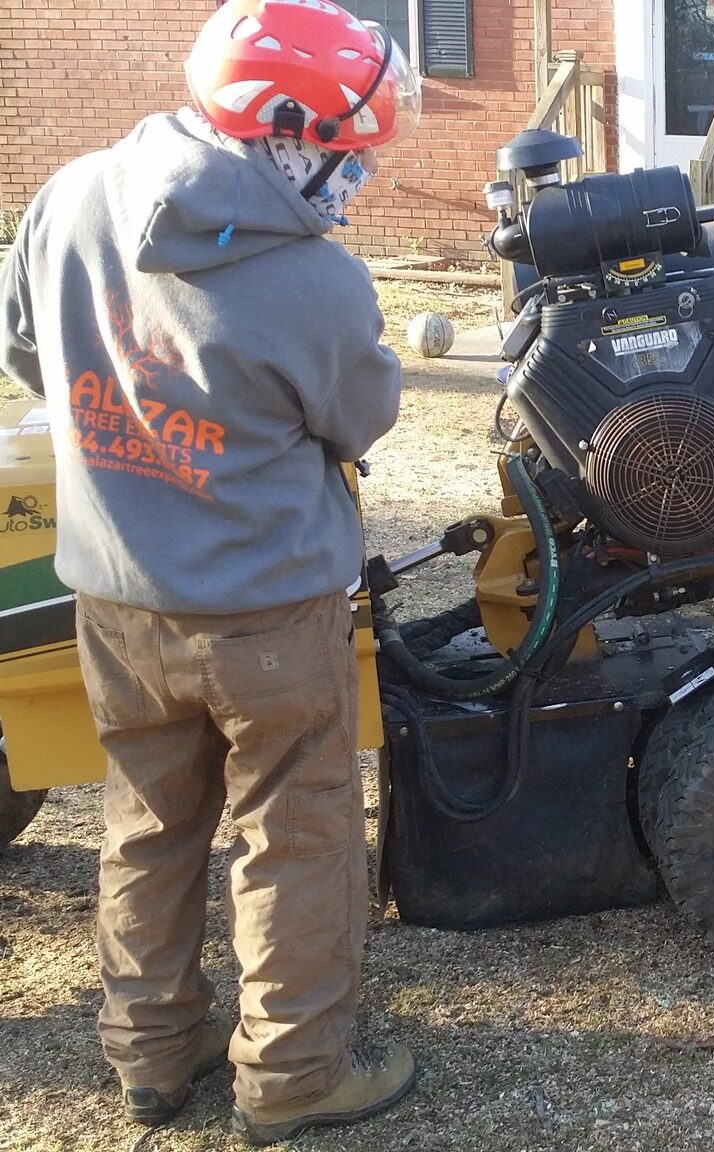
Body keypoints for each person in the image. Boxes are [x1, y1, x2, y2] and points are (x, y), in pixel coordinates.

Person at [0, 0, 417, 1142]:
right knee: (296, 834)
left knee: (145, 822)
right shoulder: (316, 284)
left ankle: (150, 1054)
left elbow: (28, 351)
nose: (358, 170)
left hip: (114, 594)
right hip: (266, 612)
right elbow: (359, 419)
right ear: (286, 131)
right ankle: (291, 1080)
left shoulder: (68, 196)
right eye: (348, 147)